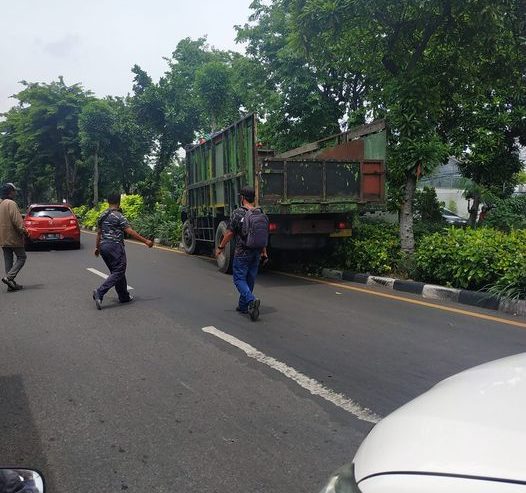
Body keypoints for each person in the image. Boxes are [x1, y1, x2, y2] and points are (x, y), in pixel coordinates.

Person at [215, 186, 269, 321]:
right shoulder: (260, 212)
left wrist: (220, 247)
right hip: (256, 252)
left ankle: (250, 300)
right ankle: (243, 306)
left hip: (242, 252)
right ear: (253, 198)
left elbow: (229, 233)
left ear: (242, 198)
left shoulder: (238, 213)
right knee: (249, 279)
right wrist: (264, 252)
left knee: (239, 279)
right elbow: (262, 235)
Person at [92, 193, 153, 310]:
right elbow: (129, 231)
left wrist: (97, 248)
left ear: (108, 202)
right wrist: (146, 241)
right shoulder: (119, 216)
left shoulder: (101, 215)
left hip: (104, 247)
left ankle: (123, 296)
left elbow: (99, 233)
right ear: (118, 202)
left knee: (117, 271)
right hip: (115, 246)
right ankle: (100, 292)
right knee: (119, 270)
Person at [0, 183, 27, 291]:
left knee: (8, 260)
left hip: (2, 237)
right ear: (10, 192)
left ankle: (11, 284)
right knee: (22, 257)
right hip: (12, 236)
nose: (15, 193)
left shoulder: (1, 203)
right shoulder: (11, 203)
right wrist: (25, 231)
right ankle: (9, 278)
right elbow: (17, 221)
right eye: (14, 191)